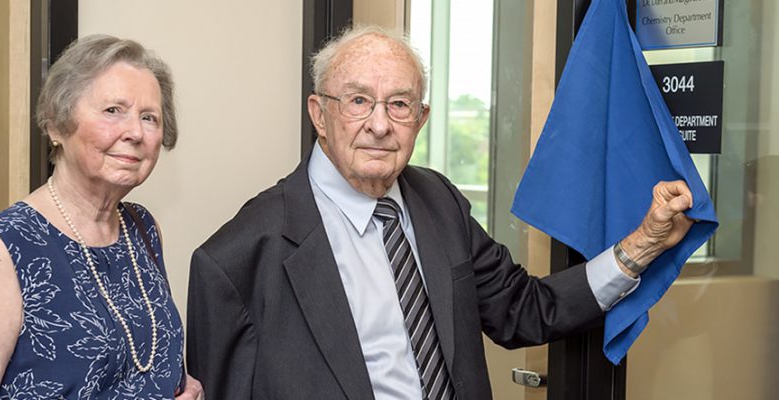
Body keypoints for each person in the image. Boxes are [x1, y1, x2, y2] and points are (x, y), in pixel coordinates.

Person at [186, 26, 694, 400]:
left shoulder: (438, 200)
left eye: (400, 104)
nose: (380, 125)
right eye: (358, 101)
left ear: (421, 118)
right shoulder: (235, 260)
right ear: (319, 114)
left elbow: (525, 309)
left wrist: (642, 245)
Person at [0, 35, 203, 399]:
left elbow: (141, 365)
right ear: (57, 125)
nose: (135, 132)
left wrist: (183, 386)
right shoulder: (1, 250)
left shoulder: (142, 229)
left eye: (149, 117)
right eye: (113, 110)